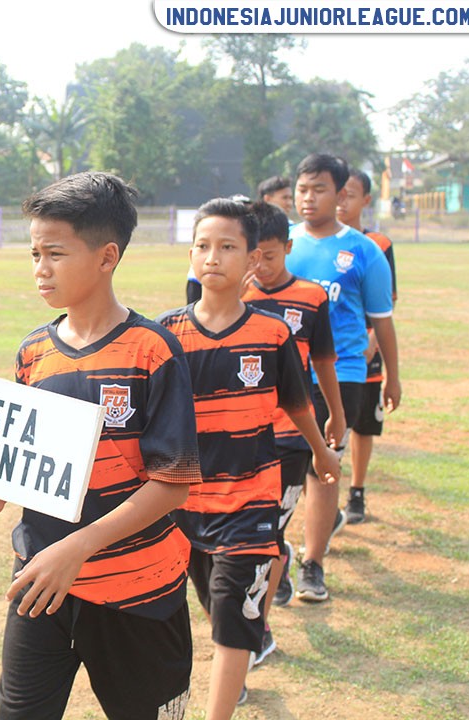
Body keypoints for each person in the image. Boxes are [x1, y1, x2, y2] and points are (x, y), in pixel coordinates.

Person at [0, 172, 202, 720]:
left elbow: (171, 486)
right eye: (34, 253)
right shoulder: (33, 353)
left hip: (139, 594)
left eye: (55, 253)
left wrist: (77, 548)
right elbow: (29, 460)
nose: (40, 268)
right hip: (40, 582)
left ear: (107, 256)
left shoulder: (152, 351)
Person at [157, 198, 341, 716]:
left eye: (228, 247)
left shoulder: (272, 332)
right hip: (184, 505)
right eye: (203, 246)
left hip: (251, 504)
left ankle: (226, 692)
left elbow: (296, 400)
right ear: (190, 256)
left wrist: (322, 450)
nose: (213, 257)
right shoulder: (165, 335)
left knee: (233, 624)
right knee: (216, 608)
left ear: (251, 260)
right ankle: (242, 645)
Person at [286, 153, 400, 602]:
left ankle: (312, 564)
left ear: (339, 194)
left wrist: (391, 375)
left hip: (344, 374)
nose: (308, 198)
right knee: (282, 467)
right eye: (302, 188)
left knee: (322, 467)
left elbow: (382, 320)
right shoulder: (282, 243)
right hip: (284, 371)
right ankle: (275, 554)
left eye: (318, 189)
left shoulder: (366, 251)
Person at [241, 202, 344, 656]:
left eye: (269, 256)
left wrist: (335, 417)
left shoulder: (312, 297)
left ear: (287, 248)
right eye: (251, 256)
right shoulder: (226, 293)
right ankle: (262, 601)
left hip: (291, 434)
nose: (259, 267)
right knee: (253, 534)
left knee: (268, 532)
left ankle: (256, 630)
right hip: (239, 434)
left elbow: (322, 361)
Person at [337, 168, 398, 524]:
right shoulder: (309, 240)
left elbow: (386, 303)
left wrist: (373, 341)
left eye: (350, 193)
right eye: (338, 192)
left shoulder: (378, 244)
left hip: (365, 353)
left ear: (365, 200)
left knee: (362, 424)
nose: (342, 200)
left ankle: (356, 492)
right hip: (333, 354)